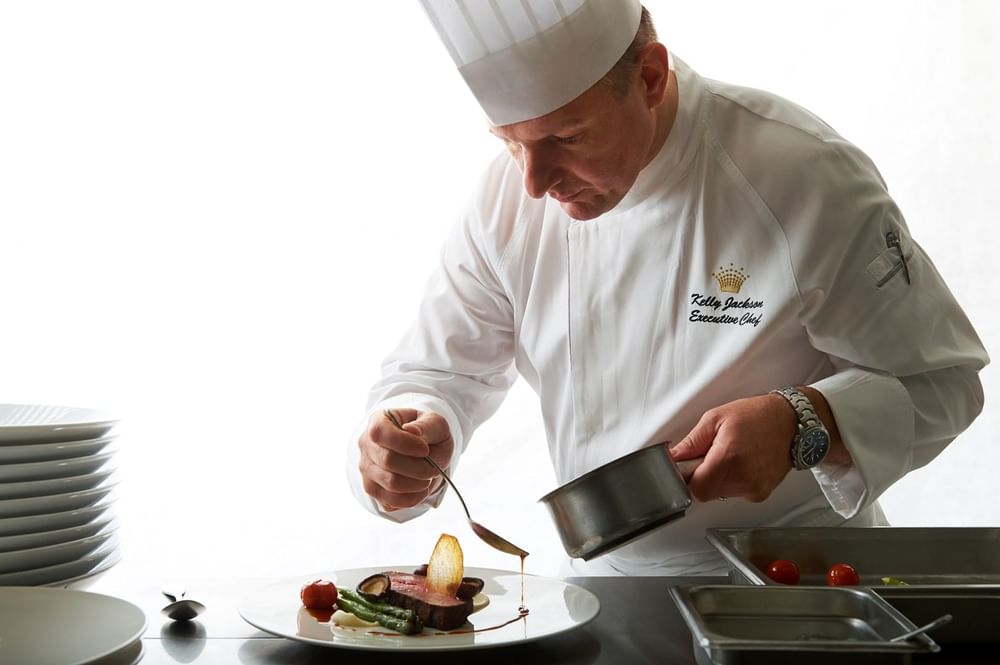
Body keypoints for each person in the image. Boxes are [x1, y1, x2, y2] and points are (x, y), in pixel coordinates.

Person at [346, 0, 988, 575]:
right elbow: (438, 376)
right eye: (513, 145)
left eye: (568, 137)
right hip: (607, 589)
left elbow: (945, 384)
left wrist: (802, 422)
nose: (536, 182)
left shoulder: (801, 174)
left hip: (798, 583)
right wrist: (408, 436)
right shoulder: (504, 203)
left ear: (651, 78)